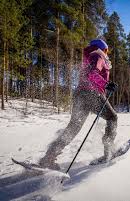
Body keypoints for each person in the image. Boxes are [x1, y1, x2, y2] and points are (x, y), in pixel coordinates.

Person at [39, 39, 118, 170]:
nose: (107, 53)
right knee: (112, 118)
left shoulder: (89, 56)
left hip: (80, 95)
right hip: (92, 94)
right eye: (107, 50)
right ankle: (108, 152)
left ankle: (48, 158)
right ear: (103, 48)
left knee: (73, 128)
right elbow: (92, 74)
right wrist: (106, 84)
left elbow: (88, 74)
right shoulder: (98, 55)